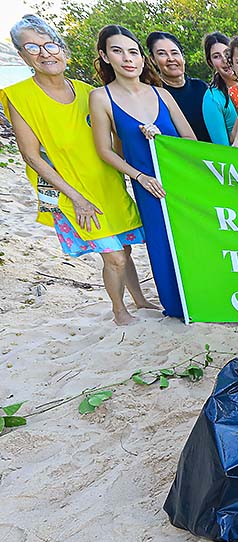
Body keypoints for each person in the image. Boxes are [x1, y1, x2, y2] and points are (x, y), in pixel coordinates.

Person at [0, 15, 153, 326]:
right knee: (113, 256)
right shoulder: (19, 96)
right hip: (72, 191)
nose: (44, 53)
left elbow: (114, 139)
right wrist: (75, 197)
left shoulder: (89, 92)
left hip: (109, 184)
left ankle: (140, 300)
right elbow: (31, 156)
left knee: (124, 247)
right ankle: (118, 311)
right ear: (21, 55)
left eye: (50, 45)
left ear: (63, 50)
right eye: (32, 47)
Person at [89, 24, 196, 320]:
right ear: (105, 55)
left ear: (141, 58)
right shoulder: (101, 97)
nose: (127, 58)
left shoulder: (161, 93)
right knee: (161, 245)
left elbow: (191, 141)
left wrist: (160, 138)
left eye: (133, 52)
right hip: (147, 185)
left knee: (192, 240)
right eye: (118, 51)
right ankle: (176, 306)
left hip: (180, 181)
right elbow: (104, 150)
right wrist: (140, 177)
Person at [145, 30, 227, 144]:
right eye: (162, 54)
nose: (171, 58)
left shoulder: (201, 88)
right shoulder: (153, 95)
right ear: (153, 60)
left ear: (183, 57)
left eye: (174, 53)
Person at [202, 31, 238, 143]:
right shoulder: (212, 98)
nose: (224, 60)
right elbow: (222, 148)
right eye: (217, 56)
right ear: (210, 62)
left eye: (227, 53)